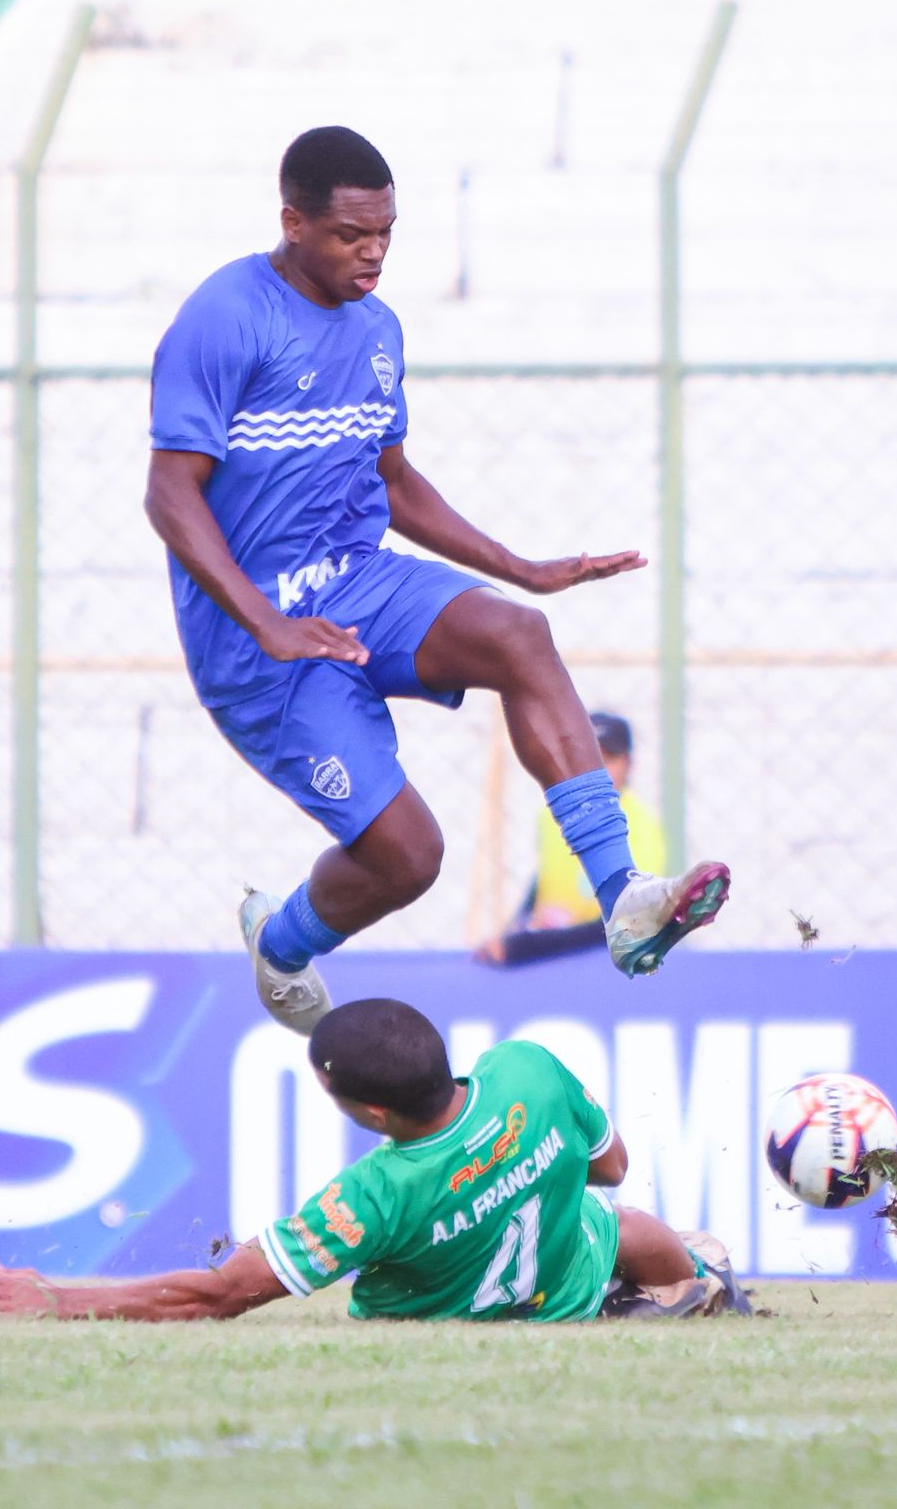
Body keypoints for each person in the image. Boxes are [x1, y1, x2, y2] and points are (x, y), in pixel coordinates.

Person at [144, 125, 729, 1035]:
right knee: (411, 858)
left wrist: (520, 568)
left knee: (518, 635)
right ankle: (283, 946)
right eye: (350, 235)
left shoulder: (378, 331)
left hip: (359, 583)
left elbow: (393, 482)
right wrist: (265, 621)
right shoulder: (225, 319)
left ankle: (621, 898)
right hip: (259, 646)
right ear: (293, 223)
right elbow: (168, 494)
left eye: (386, 233)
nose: (373, 253)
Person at [0, 998, 751, 1324]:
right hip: (563, 1287)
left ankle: (668, 1291)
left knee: (616, 1227)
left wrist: (61, 1300)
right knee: (628, 1224)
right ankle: (690, 1291)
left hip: (458, 1318)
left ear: (371, 1114)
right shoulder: (528, 1069)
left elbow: (219, 1295)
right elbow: (610, 1167)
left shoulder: (373, 1194)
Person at [478, 711, 668, 966]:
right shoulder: (552, 816)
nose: (598, 769)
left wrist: (527, 946)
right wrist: (515, 930)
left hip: (601, 961)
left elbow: (634, 921)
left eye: (608, 759)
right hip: (548, 960)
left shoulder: (642, 825)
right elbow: (543, 882)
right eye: (588, 758)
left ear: (628, 764)